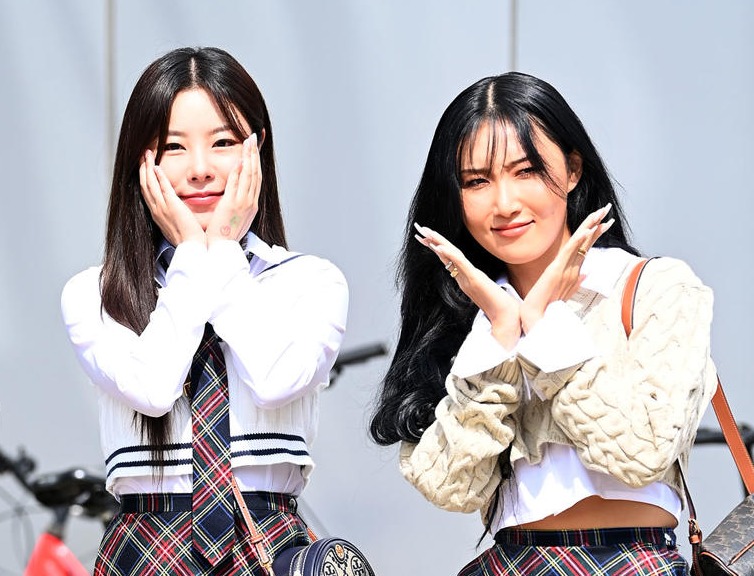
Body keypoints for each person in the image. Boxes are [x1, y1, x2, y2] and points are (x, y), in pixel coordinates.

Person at [369, 72, 717, 575]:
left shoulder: (654, 288)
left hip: (633, 560)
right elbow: (448, 486)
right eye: (476, 181)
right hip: (509, 561)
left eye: (526, 170)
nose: (505, 203)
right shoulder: (468, 318)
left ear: (572, 169)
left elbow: (640, 453)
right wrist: (501, 335)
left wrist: (543, 326)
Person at [61, 46, 348, 575]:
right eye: (173, 146)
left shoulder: (310, 282)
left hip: (268, 541)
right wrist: (196, 252)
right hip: (144, 546)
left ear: (257, 151)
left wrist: (223, 247)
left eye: (223, 143)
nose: (199, 169)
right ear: (141, 161)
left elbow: (275, 380)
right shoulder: (95, 293)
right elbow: (152, 388)